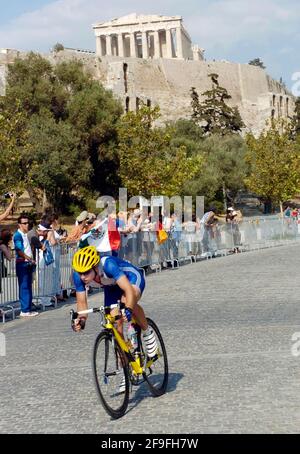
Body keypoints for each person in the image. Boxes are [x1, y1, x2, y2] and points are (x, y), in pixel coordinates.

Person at [72, 246, 158, 392]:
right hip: (111, 287)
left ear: (95, 267)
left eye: (86, 273)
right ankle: (127, 372)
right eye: (80, 273)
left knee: (126, 301)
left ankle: (147, 331)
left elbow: (128, 291)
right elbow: (82, 303)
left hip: (130, 279)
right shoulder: (79, 275)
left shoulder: (108, 265)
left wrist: (129, 309)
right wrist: (81, 320)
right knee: (115, 329)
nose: (82, 277)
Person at [13, 215, 38, 317]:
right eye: (24, 223)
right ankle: (25, 310)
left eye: (28, 223)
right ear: (19, 224)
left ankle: (28, 308)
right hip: (22, 264)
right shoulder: (17, 235)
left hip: (28, 263)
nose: (27, 225)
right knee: (24, 287)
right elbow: (19, 250)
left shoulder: (25, 234)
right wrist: (30, 258)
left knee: (28, 286)